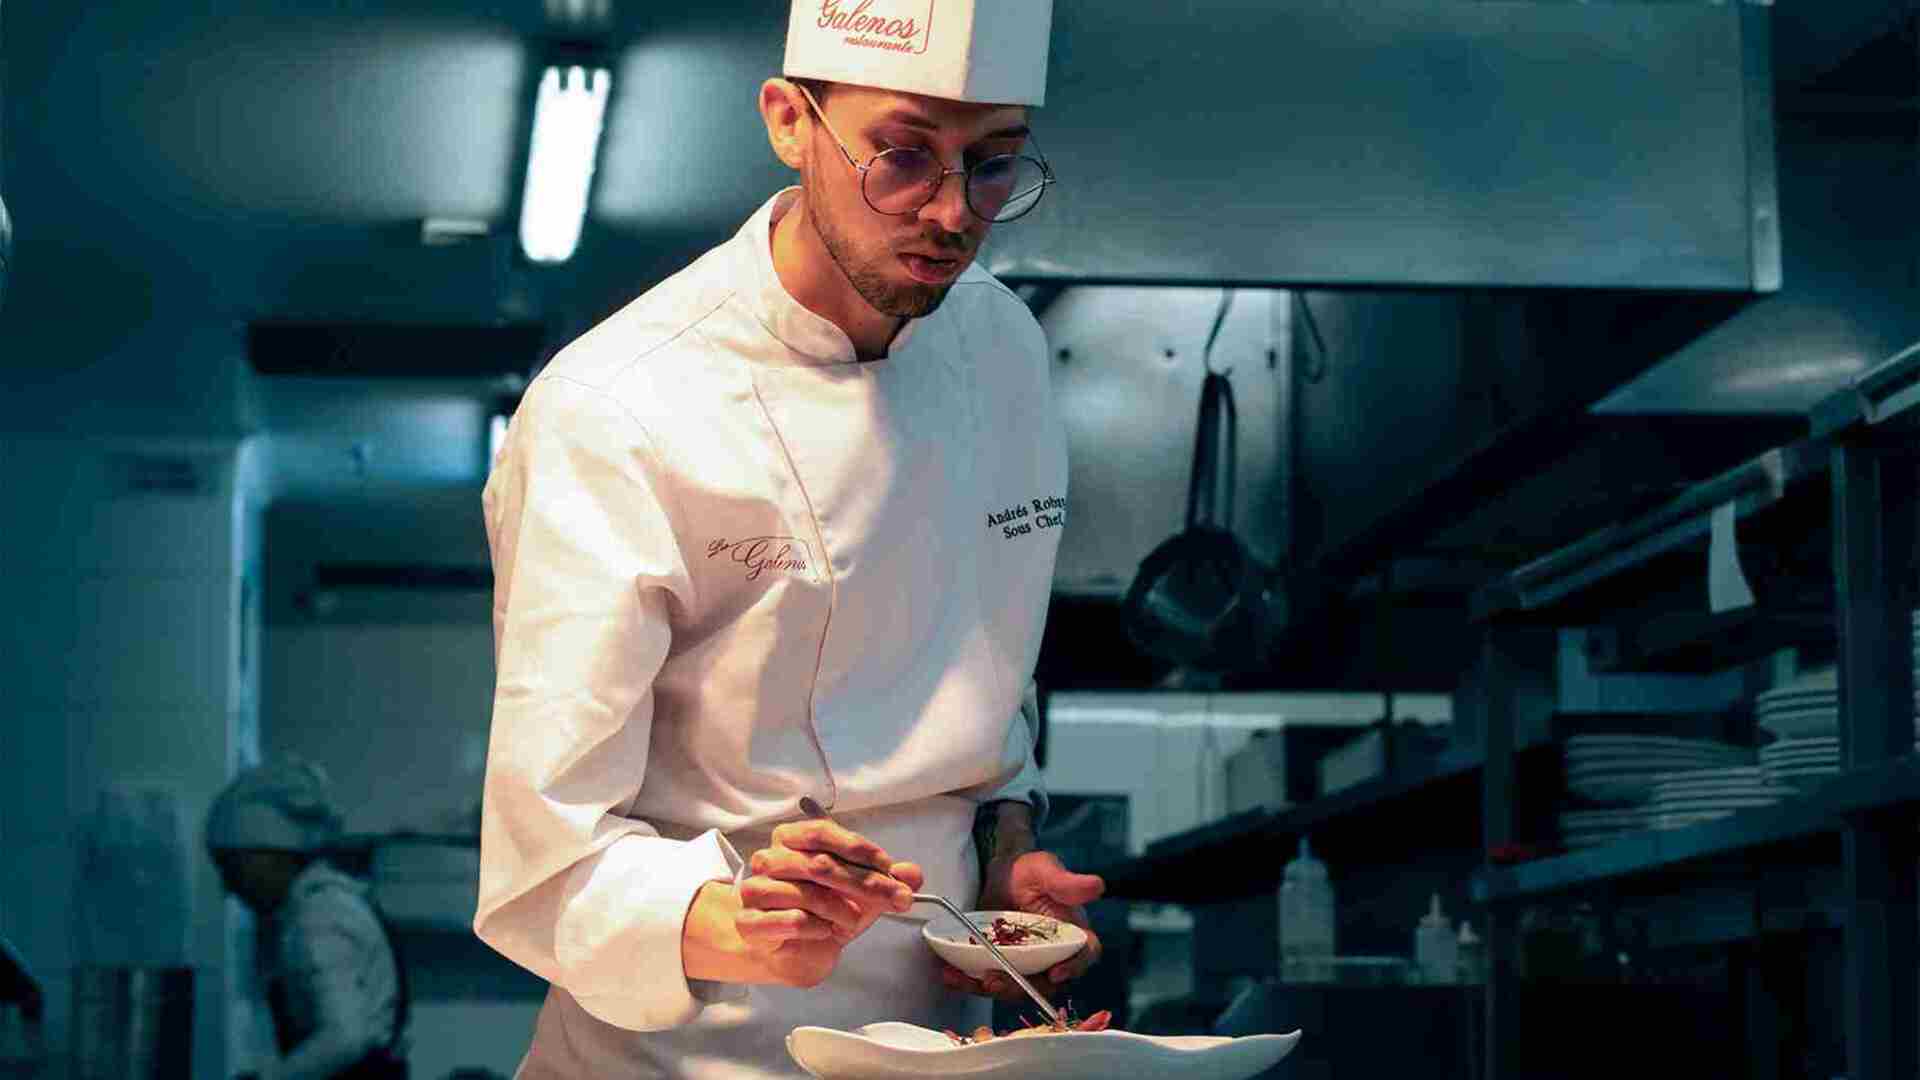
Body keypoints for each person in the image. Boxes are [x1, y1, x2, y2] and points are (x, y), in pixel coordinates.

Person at [473, 1, 1105, 1076]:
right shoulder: (616, 408)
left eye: (993, 164)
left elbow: (986, 686)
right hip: (684, 1049)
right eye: (903, 155)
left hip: (943, 1044)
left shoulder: (1002, 344)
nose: (952, 213)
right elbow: (544, 863)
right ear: (787, 119)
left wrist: (1003, 864)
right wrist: (740, 919)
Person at [205, 759, 409, 1080]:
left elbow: (345, 1038)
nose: (228, 887)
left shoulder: (320, 917)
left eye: (233, 867)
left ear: (270, 854)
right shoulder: (326, 904)